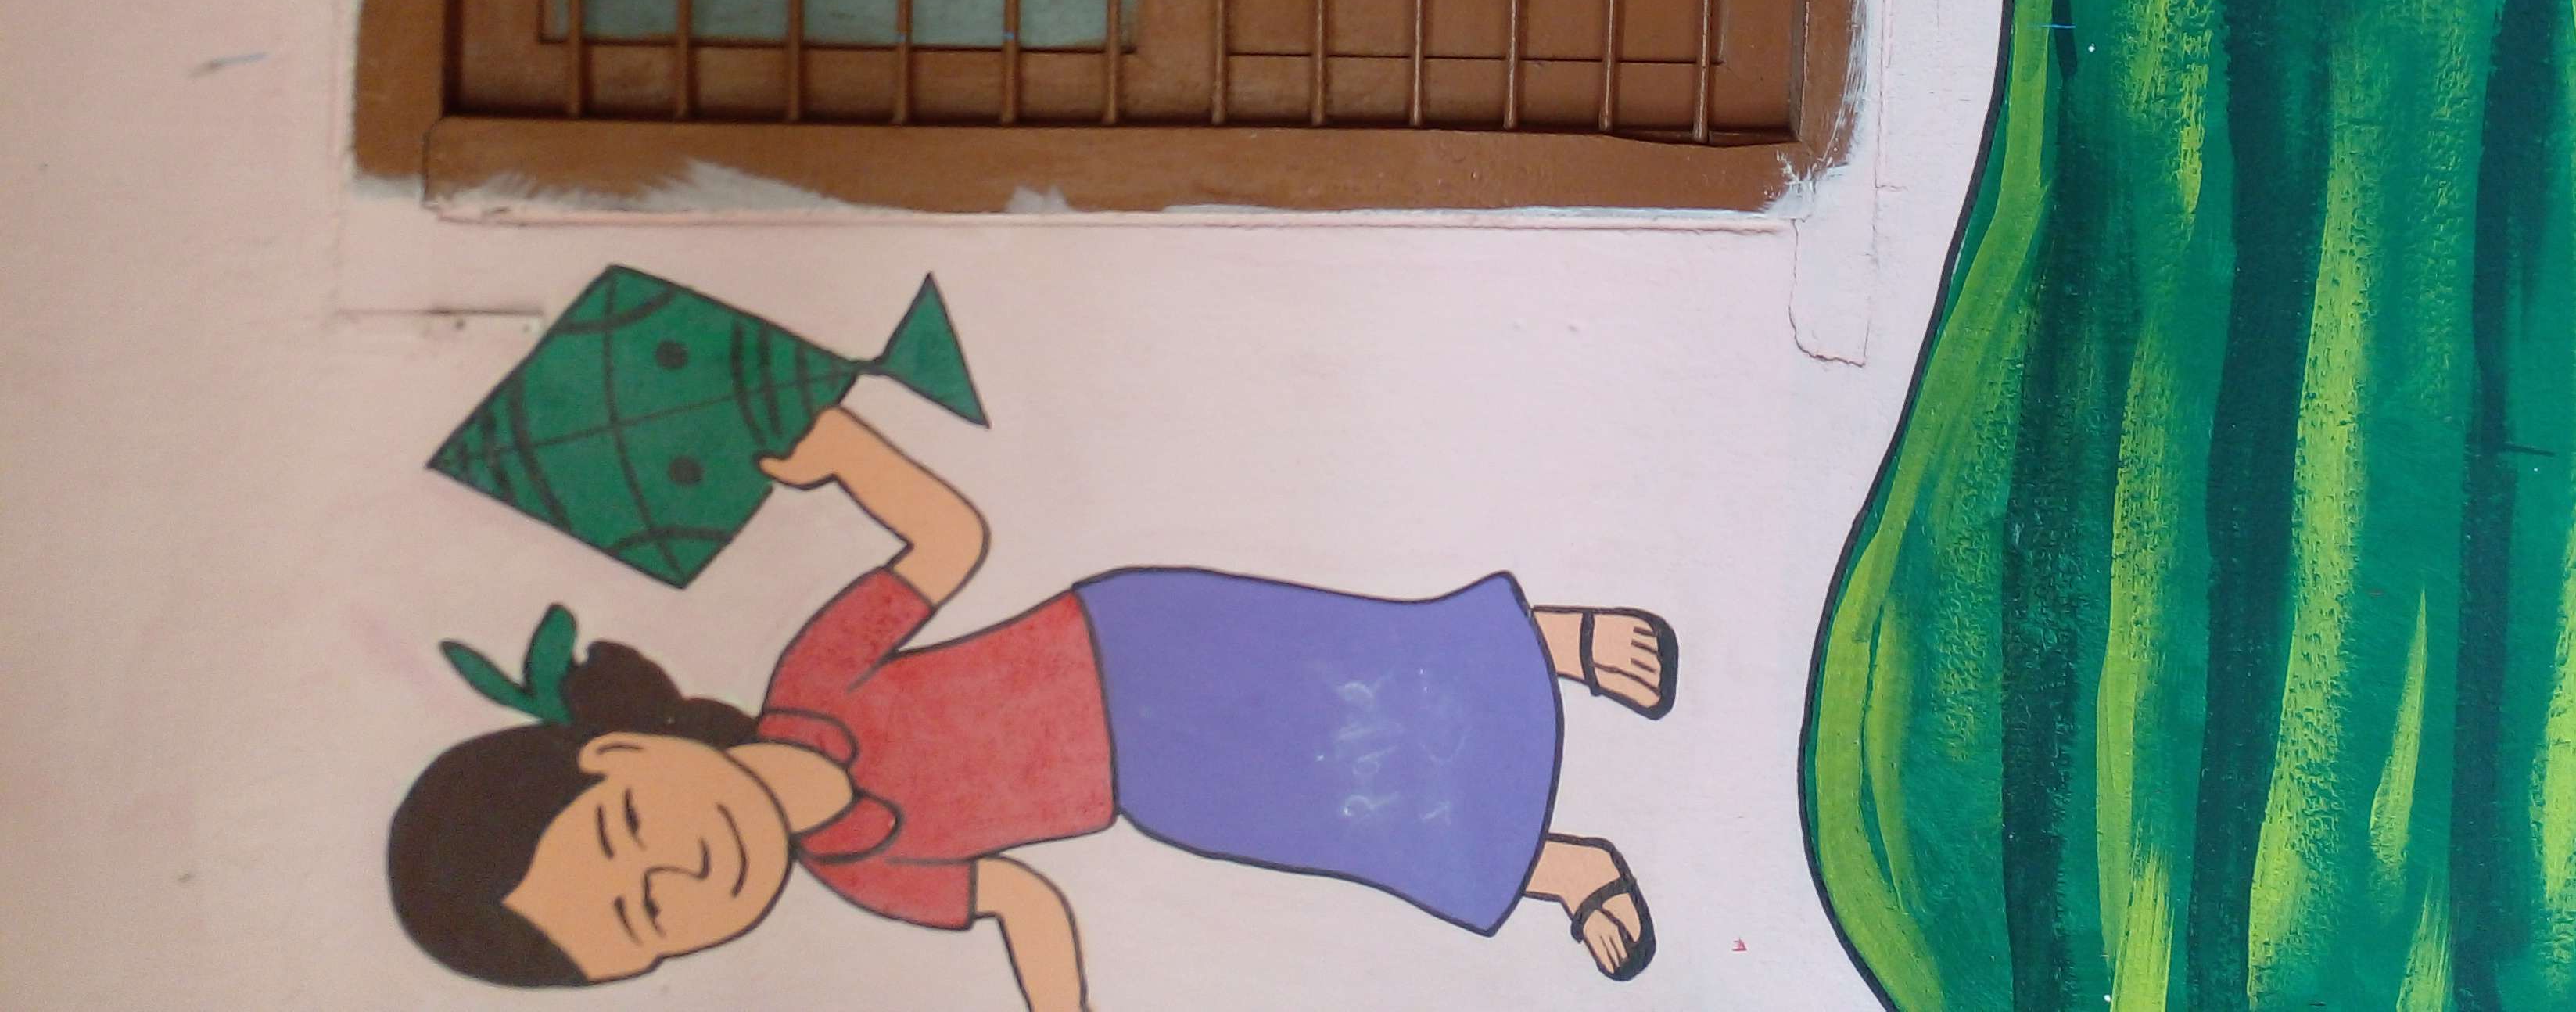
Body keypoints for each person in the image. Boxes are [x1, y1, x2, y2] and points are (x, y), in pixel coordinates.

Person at [389, 407, 1677, 996]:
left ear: (620, 753)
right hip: (1158, 787)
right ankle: (1564, 870)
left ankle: (1553, 642)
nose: (681, 872)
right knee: (1344, 815)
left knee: (1359, 668)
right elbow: (1019, 898)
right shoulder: (861, 875)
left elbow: (944, 546)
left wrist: (848, 454)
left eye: (626, 835)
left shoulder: (811, 686)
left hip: (1137, 642)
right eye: (650, 920)